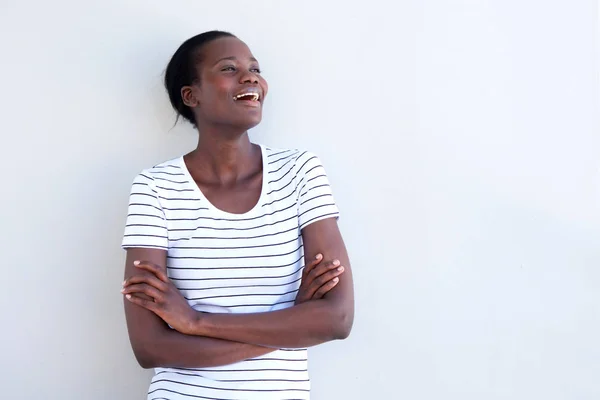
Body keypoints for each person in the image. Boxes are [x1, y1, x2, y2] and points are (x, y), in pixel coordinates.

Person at [120, 30, 354, 400]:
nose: (251, 78)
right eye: (229, 68)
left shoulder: (300, 172)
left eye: (255, 68)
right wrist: (294, 322)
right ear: (190, 95)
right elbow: (150, 347)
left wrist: (196, 323)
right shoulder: (155, 187)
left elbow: (337, 320)